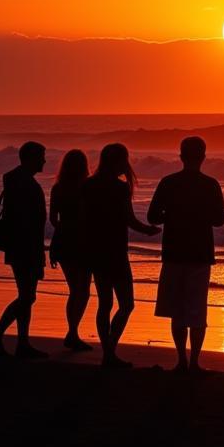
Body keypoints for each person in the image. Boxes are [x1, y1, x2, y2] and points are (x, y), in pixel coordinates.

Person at [147, 136, 224, 374]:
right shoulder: (210, 184)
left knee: (178, 308)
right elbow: (220, 220)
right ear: (203, 157)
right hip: (200, 252)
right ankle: (194, 362)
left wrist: (171, 216)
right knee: (197, 309)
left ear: (181, 157)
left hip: (174, 251)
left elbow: (153, 216)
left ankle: (181, 359)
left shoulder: (168, 183)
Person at [82, 143, 160, 368]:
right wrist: (148, 230)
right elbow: (129, 220)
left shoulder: (88, 185)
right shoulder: (120, 188)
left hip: (95, 250)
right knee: (126, 304)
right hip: (115, 251)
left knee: (104, 303)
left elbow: (83, 219)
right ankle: (109, 352)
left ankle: (108, 353)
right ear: (117, 161)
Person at [0, 141, 48, 359]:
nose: (44, 161)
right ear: (31, 158)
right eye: (41, 157)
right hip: (26, 246)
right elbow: (26, 219)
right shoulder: (23, 182)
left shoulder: (15, 178)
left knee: (26, 295)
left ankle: (22, 342)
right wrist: (36, 248)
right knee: (27, 296)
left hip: (21, 245)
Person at [49, 148, 92, 351]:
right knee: (82, 290)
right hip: (82, 242)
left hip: (63, 241)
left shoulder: (58, 188)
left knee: (75, 290)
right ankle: (72, 333)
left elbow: (52, 219)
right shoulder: (87, 187)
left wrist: (63, 230)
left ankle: (72, 332)